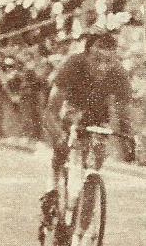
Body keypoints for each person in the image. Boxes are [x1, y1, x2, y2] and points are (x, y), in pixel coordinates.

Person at [40, 31, 136, 226]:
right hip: (72, 110)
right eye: (97, 59)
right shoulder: (73, 64)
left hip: (98, 117)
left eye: (108, 61)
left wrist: (130, 140)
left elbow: (125, 116)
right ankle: (52, 188)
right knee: (63, 146)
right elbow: (50, 111)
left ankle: (80, 236)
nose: (102, 67)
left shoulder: (118, 74)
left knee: (93, 169)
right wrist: (59, 136)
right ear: (86, 55)